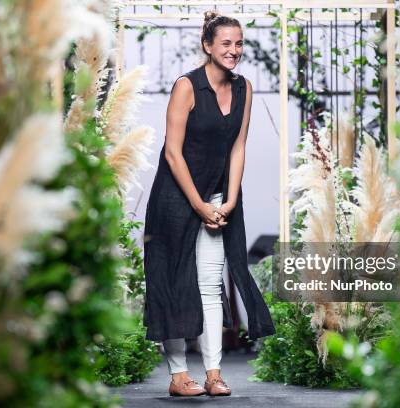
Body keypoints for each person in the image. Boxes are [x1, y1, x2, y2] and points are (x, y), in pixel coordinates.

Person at [142, 10, 276, 397]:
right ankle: (179, 375)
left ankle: (214, 373)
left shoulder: (244, 88)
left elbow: (237, 148)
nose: (234, 51)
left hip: (219, 199)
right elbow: (172, 154)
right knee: (173, 283)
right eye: (226, 44)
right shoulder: (187, 86)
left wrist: (230, 200)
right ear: (207, 46)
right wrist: (200, 206)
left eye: (239, 44)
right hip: (175, 199)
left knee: (209, 285)